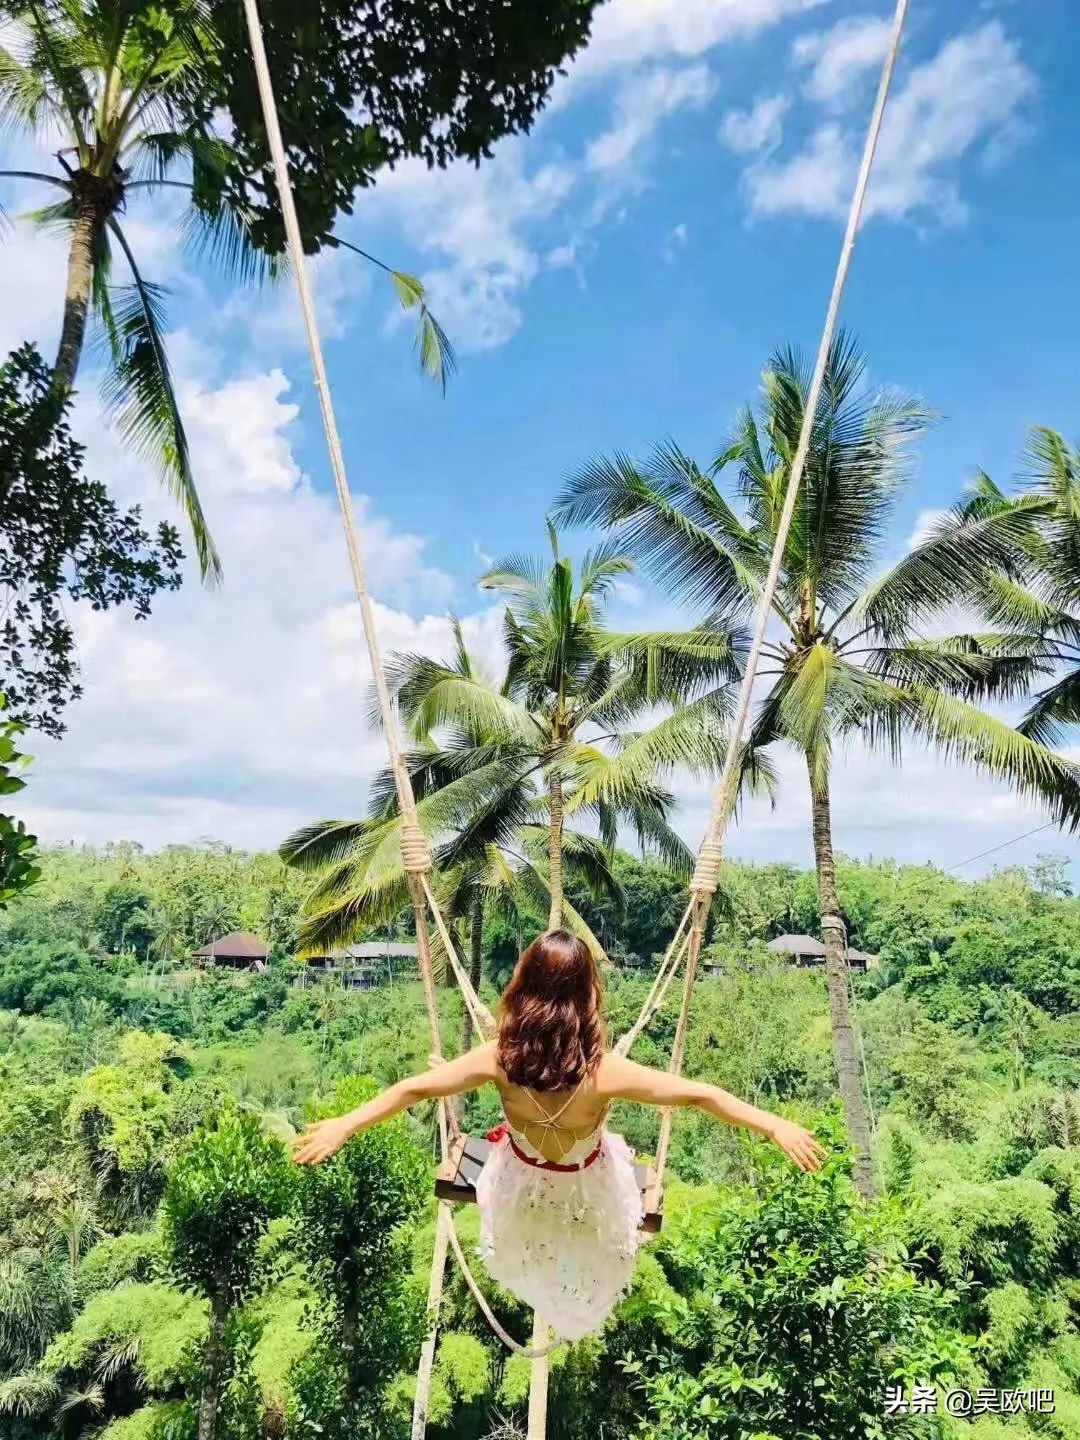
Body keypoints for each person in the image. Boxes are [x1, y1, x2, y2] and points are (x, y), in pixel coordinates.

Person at [293, 929, 825, 1341]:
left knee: (533, 1247)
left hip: (519, 1186)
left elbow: (412, 1089)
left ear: (523, 986)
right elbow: (701, 1094)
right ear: (588, 993)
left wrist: (345, 1125)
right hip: (587, 1192)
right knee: (591, 1254)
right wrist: (774, 1124)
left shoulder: (497, 1058)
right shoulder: (605, 1072)